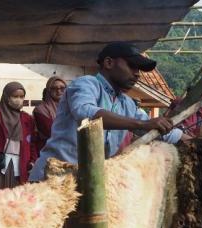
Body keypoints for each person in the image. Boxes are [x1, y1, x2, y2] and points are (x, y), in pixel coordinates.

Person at [29, 42, 182, 182]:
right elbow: (85, 113)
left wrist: (192, 139)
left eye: (138, 69)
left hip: (86, 184)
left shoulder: (127, 104)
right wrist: (141, 123)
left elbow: (161, 130)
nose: (137, 74)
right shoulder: (86, 84)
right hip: (52, 179)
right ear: (109, 63)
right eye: (132, 66)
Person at [0, 81, 37, 194]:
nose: (18, 99)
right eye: (15, 96)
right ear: (6, 97)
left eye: (21, 96)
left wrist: (33, 161)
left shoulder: (26, 119)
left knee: (15, 203)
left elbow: (31, 142)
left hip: (20, 166)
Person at [33, 76, 67, 155]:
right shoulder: (40, 110)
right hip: (49, 152)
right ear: (48, 90)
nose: (58, 91)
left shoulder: (71, 107)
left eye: (62, 88)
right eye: (54, 88)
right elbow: (51, 131)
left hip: (70, 151)